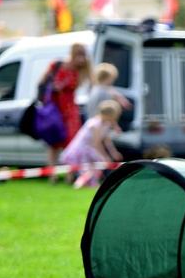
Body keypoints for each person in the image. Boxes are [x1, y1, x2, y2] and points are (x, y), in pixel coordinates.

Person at [39, 43, 92, 183]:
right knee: (54, 143)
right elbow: (42, 82)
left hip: (70, 111)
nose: (81, 59)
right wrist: (53, 87)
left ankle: (70, 175)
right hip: (55, 109)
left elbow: (91, 82)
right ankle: (52, 175)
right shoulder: (57, 64)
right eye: (79, 55)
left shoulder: (80, 70)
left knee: (71, 142)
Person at [61, 99, 123, 189]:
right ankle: (84, 183)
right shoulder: (95, 124)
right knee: (95, 164)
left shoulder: (104, 124)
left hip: (88, 149)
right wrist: (105, 156)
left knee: (89, 167)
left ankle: (85, 182)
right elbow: (96, 143)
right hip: (82, 149)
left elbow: (106, 140)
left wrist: (113, 152)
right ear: (109, 115)